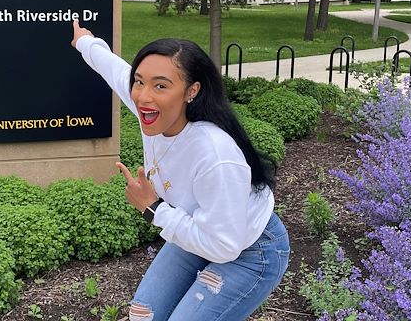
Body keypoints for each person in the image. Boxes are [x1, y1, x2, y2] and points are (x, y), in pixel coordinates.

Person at [70, 20, 290, 321]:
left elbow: (224, 246)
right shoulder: (155, 111)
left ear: (191, 91)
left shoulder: (214, 154)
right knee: (142, 316)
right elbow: (113, 69)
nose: (143, 96)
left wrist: (153, 209)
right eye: (139, 81)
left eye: (161, 85)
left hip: (250, 249)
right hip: (198, 228)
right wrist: (85, 41)